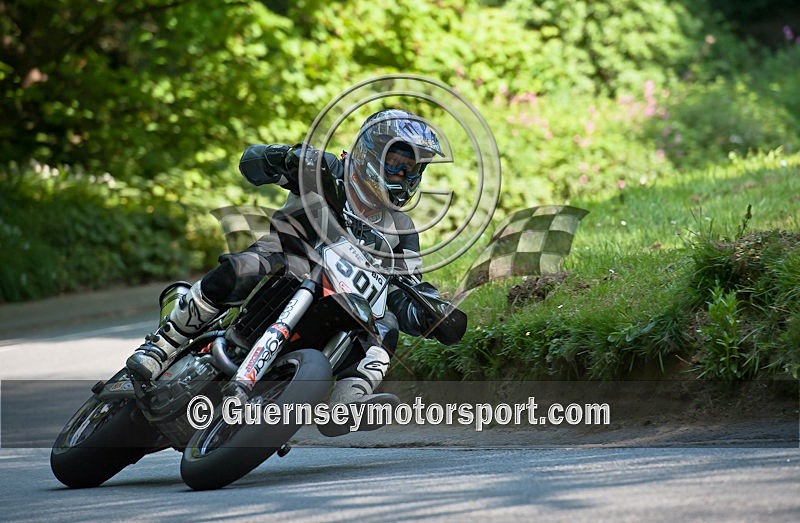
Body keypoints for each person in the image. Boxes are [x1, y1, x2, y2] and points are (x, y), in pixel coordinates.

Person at [125, 109, 467, 435]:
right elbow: (251, 164)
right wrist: (281, 158)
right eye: (396, 166)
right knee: (247, 265)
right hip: (287, 261)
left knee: (385, 326)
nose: (404, 177)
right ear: (369, 155)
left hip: (340, 301)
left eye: (411, 171)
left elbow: (404, 290)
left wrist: (430, 314)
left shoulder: (402, 230)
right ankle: (163, 345)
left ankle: (349, 401)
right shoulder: (330, 168)